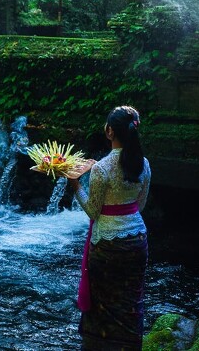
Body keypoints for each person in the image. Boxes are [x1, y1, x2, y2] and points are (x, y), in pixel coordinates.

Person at [66, 105, 151, 351]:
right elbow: (140, 204)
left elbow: (93, 211)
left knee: (103, 301)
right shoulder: (144, 164)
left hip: (107, 244)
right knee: (131, 301)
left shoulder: (101, 168)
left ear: (109, 132)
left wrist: (75, 185)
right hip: (137, 239)